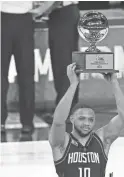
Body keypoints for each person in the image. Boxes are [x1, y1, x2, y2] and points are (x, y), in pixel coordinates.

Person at [48, 63, 124, 177]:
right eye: (82, 118)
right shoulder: (63, 143)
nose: (87, 123)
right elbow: (58, 121)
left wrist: (114, 83)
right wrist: (73, 85)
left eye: (91, 120)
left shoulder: (101, 139)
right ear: (71, 119)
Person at [31, 2, 80, 132]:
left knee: (63, 63)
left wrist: (38, 11)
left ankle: (64, 113)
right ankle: (67, 109)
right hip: (61, 13)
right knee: (64, 62)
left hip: (63, 12)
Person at [1, 2, 36, 133]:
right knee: (25, 74)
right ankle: (26, 122)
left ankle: (3, 121)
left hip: (11, 19)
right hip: (19, 19)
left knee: (22, 73)